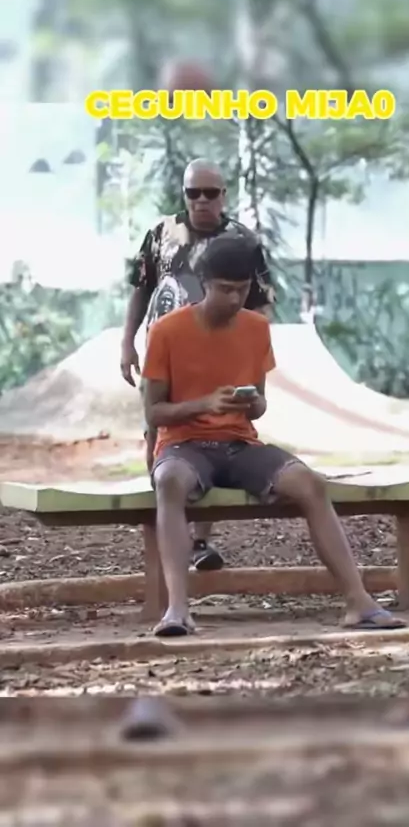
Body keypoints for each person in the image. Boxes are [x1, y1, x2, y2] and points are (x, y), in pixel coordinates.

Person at [142, 236, 406, 637]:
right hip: (184, 445)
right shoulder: (167, 331)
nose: (234, 299)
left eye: (242, 289)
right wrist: (203, 404)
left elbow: (260, 405)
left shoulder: (256, 328)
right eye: (225, 289)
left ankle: (359, 603)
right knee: (169, 481)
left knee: (309, 483)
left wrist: (251, 404)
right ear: (204, 283)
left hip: (239, 443)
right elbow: (154, 412)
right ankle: (177, 610)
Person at [120, 158, 275, 572]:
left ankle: (200, 540)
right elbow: (140, 289)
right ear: (184, 194)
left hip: (220, 353)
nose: (201, 201)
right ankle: (166, 529)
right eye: (193, 193)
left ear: (224, 195)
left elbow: (261, 301)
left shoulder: (243, 241)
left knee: (218, 433)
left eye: (210, 193)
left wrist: (251, 349)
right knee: (158, 433)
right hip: (164, 349)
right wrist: (127, 343)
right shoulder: (160, 234)